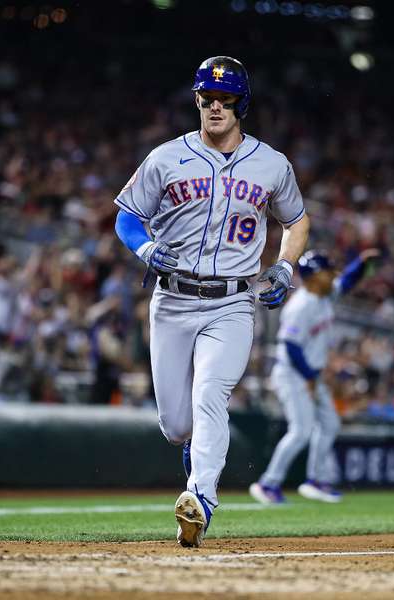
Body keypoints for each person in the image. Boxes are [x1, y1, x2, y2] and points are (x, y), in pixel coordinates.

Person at [113, 56, 310, 547]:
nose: (216, 106)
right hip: (172, 300)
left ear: (242, 104)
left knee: (210, 395)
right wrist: (146, 247)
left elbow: (297, 221)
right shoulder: (165, 158)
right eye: (208, 98)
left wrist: (285, 266)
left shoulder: (271, 164)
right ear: (197, 100)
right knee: (177, 423)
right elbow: (126, 218)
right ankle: (193, 458)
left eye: (226, 99)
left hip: (232, 303)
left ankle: (199, 500)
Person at [249, 249, 378, 505]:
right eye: (327, 271)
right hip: (293, 373)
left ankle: (315, 480)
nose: (332, 274)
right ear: (315, 276)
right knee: (301, 431)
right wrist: (309, 378)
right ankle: (268, 483)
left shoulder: (326, 294)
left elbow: (347, 280)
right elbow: (290, 346)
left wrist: (360, 263)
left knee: (329, 423)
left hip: (311, 375)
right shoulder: (300, 306)